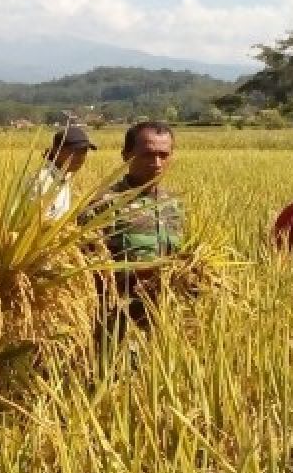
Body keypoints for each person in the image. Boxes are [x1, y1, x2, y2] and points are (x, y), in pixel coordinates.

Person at [81, 121, 182, 330]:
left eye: (164, 155)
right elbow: (84, 268)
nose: (156, 163)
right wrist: (141, 273)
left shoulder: (173, 204)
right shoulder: (103, 205)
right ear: (126, 156)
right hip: (116, 323)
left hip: (164, 321)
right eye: (148, 154)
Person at [31, 124, 97, 220]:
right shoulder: (41, 181)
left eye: (84, 152)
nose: (80, 157)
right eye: (74, 152)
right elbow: (37, 223)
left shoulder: (64, 178)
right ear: (55, 151)